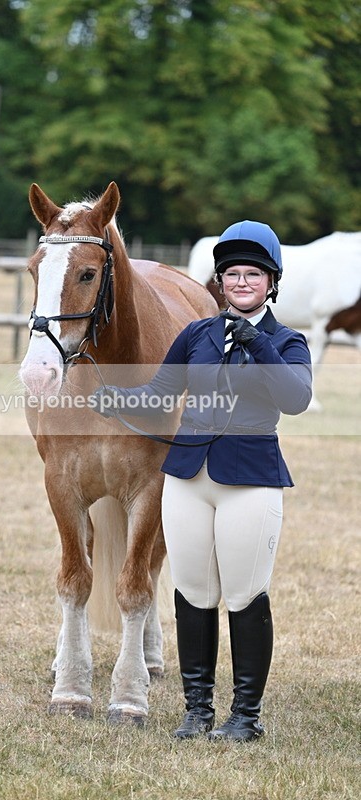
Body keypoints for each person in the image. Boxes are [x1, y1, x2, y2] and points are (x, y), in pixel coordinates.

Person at [92, 220, 312, 742]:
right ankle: (197, 710)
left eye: (252, 274)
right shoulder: (197, 335)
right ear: (220, 281)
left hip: (250, 481)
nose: (240, 282)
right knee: (192, 591)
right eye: (232, 274)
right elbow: (160, 397)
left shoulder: (287, 341)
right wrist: (111, 398)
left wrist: (259, 344)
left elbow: (296, 398)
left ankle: (246, 716)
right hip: (188, 477)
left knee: (244, 595)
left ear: (270, 282)